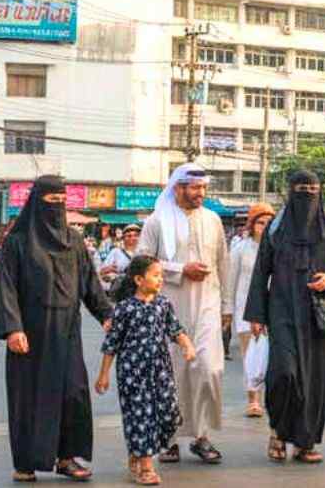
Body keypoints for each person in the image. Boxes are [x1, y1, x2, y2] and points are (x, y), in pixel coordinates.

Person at [0, 175, 114, 483]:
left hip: (67, 332)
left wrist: (107, 315)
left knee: (72, 393)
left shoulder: (74, 241)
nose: (58, 207)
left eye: (62, 201)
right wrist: (13, 329)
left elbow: (89, 282)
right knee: (29, 397)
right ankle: (25, 462)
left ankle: (66, 458)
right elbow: (7, 287)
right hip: (30, 334)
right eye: (51, 202)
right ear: (37, 203)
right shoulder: (17, 241)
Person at [245, 170, 325, 464]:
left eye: (313, 189)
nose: (307, 194)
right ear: (291, 192)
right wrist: (256, 314)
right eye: (301, 189)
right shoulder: (276, 230)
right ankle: (278, 431)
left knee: (315, 380)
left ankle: (305, 442)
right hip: (282, 311)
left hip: (317, 316)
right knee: (284, 374)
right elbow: (260, 272)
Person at [136, 163, 231, 465]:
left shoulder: (214, 220)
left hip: (207, 305)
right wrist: (180, 269)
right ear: (178, 188)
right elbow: (141, 262)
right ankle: (169, 438)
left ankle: (202, 436)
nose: (200, 193)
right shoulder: (156, 221)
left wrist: (227, 306)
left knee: (208, 369)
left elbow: (223, 262)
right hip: (168, 306)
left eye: (203, 188)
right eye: (194, 188)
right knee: (172, 374)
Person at [97, 254, 197, 486]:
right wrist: (103, 375)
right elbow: (111, 344)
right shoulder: (124, 308)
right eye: (156, 275)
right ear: (139, 279)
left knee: (170, 414)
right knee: (141, 416)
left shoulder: (163, 304)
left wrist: (187, 345)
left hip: (161, 369)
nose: (160, 279)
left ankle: (137, 451)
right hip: (133, 372)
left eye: (161, 275)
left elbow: (175, 330)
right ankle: (146, 467)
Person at [229, 204, 273, 417]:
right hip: (245, 309)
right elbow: (231, 281)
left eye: (269, 223)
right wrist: (227, 309)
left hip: (273, 309)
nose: (264, 227)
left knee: (270, 355)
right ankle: (253, 399)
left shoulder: (278, 248)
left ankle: (268, 399)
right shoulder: (240, 249)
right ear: (252, 225)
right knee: (251, 355)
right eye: (260, 223)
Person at [100, 224, 142, 289]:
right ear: (123, 238)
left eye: (136, 235)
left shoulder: (143, 253)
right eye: (129, 236)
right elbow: (102, 272)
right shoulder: (115, 252)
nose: (132, 238)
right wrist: (109, 270)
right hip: (120, 290)